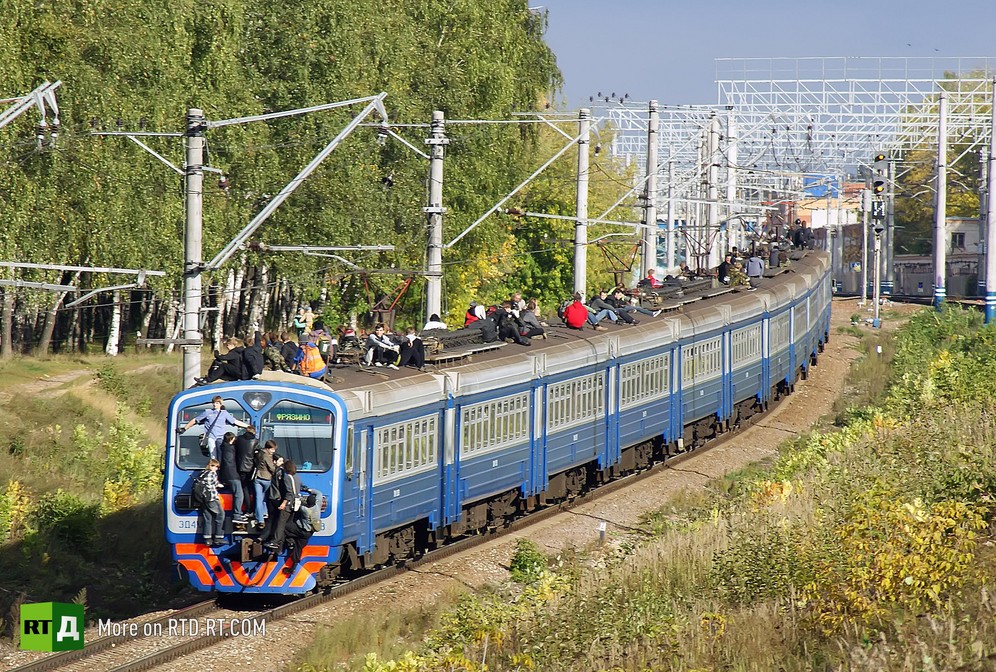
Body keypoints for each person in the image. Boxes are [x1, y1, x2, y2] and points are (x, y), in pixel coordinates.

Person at [182, 395, 251, 460]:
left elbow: (235, 421)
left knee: (221, 455)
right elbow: (195, 420)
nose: (215, 404)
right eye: (214, 403)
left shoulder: (224, 413)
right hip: (211, 437)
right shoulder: (207, 412)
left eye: (217, 403)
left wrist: (247, 426)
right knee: (213, 456)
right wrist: (185, 428)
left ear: (221, 404)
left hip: (220, 437)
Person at [264, 459, 302, 554]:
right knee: (288, 524)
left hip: (288, 504)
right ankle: (287, 542)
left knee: (280, 523)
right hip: (295, 504)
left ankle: (275, 542)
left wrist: (283, 503)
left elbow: (289, 493)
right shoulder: (297, 477)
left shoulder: (287, 477)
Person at [218, 432, 248, 524]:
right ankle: (237, 515)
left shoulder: (223, 447)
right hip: (232, 474)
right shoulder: (231, 449)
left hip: (224, 475)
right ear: (231, 439)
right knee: (239, 494)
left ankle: (236, 514)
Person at [196, 458, 224, 547]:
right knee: (220, 515)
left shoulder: (202, 473)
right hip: (211, 498)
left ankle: (207, 538)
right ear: (210, 465)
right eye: (215, 466)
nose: (216, 468)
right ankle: (218, 537)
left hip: (203, 499)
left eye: (217, 467)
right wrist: (220, 485)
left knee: (207, 518)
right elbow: (211, 484)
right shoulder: (211, 473)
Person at [252, 440, 279, 528]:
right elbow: (272, 468)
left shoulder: (259, 453)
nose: (274, 451)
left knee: (258, 499)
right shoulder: (267, 456)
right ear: (268, 448)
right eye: (272, 449)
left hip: (257, 478)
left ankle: (260, 518)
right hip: (266, 479)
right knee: (264, 498)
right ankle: (264, 514)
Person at [235, 425, 258, 517]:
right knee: (253, 488)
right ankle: (252, 509)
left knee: (244, 488)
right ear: (254, 432)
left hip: (240, 467)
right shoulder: (256, 441)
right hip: (251, 468)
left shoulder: (239, 439)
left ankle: (247, 509)